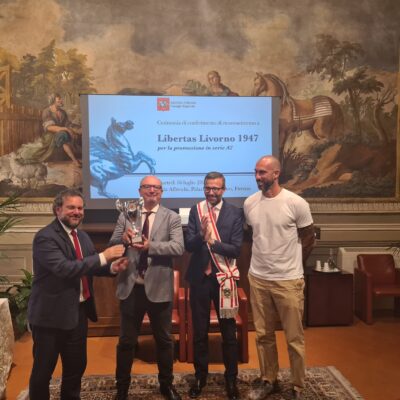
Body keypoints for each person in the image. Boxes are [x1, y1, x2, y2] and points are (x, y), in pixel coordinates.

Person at [28, 188, 128, 400]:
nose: (77, 212)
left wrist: (112, 267)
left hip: (78, 314)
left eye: (80, 208)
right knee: (42, 373)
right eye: (71, 207)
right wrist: (105, 256)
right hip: (49, 318)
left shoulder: (81, 236)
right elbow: (65, 269)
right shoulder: (45, 237)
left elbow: (89, 266)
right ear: (58, 210)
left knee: (75, 369)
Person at [244, 156, 315, 400]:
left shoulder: (296, 203)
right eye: (255, 172)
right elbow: (254, 236)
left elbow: (308, 239)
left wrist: (294, 265)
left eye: (262, 172)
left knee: (294, 338)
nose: (257, 177)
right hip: (258, 278)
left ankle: (297, 386)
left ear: (276, 174)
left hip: (288, 280)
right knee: (263, 335)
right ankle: (269, 379)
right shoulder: (250, 203)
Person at [109, 175, 184, 400]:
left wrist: (151, 246)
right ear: (140, 191)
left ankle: (166, 385)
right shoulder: (126, 214)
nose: (152, 190)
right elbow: (113, 244)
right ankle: (122, 388)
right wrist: (123, 239)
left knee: (164, 341)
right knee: (126, 342)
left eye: (156, 187)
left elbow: (178, 247)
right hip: (131, 287)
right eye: (147, 187)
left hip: (159, 287)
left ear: (161, 192)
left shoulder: (171, 217)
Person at [185, 171, 243, 400]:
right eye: (208, 188)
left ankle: (231, 379)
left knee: (229, 333)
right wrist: (201, 235)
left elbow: (236, 249)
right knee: (199, 332)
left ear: (223, 190)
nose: (211, 192)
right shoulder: (196, 210)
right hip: (200, 280)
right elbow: (189, 246)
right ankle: (200, 377)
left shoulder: (234, 213)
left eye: (216, 188)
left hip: (223, 279)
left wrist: (213, 242)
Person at [17, 93, 82, 167]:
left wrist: (77, 130)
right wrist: (66, 129)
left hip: (61, 134)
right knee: (62, 135)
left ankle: (75, 160)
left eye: (61, 99)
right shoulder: (47, 111)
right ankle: (75, 160)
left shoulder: (63, 112)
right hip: (50, 136)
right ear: (53, 101)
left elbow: (68, 124)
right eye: (59, 99)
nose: (61, 100)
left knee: (66, 134)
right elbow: (49, 127)